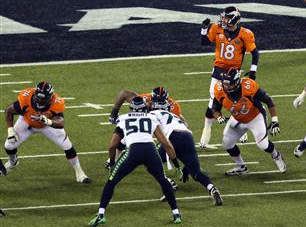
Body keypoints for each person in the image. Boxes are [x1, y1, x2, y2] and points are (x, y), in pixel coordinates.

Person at [89, 97, 182, 226]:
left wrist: (111, 162)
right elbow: (166, 144)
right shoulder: (151, 118)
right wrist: (176, 166)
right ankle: (176, 214)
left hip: (133, 151)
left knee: (111, 181)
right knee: (163, 180)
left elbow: (112, 146)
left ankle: (101, 214)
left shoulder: (123, 118)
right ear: (144, 108)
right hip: (151, 151)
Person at [3, 82, 91, 183]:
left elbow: (61, 123)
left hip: (47, 125)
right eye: (38, 98)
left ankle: (80, 173)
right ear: (34, 94)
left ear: (50, 97)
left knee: (67, 144)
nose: (40, 101)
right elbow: (8, 111)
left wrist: (48, 121)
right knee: (9, 145)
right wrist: (10, 130)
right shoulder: (26, 97)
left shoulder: (56, 102)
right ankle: (13, 161)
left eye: (43, 99)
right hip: (27, 122)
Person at [199, 6, 259, 148]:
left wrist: (253, 71)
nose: (223, 20)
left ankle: (242, 129)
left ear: (234, 18)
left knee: (237, 101)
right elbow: (204, 42)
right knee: (213, 100)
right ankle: (206, 131)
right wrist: (203, 29)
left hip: (234, 72)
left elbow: (255, 53)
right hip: (218, 69)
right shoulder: (216, 28)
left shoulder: (245, 33)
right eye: (223, 17)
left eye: (226, 17)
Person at [211, 68, 286, 175]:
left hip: (255, 118)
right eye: (225, 84)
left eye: (229, 84)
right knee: (227, 143)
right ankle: (241, 166)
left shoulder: (248, 87)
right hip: (237, 119)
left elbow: (268, 100)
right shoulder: (220, 90)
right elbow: (215, 108)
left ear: (236, 82)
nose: (226, 87)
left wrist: (275, 120)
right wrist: (218, 117)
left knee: (263, 145)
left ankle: (276, 155)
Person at [149, 107, 223, 206]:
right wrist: (186, 167)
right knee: (196, 173)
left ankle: (169, 185)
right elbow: (185, 127)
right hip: (187, 137)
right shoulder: (174, 115)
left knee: (152, 164)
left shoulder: (150, 115)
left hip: (172, 137)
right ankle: (212, 188)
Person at [107, 86, 182, 166]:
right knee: (129, 133)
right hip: (146, 121)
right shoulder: (144, 99)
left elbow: (174, 122)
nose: (158, 105)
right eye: (156, 101)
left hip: (161, 123)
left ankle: (174, 153)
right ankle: (115, 157)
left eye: (162, 102)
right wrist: (113, 113)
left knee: (168, 139)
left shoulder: (174, 107)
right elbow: (125, 93)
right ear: (151, 99)